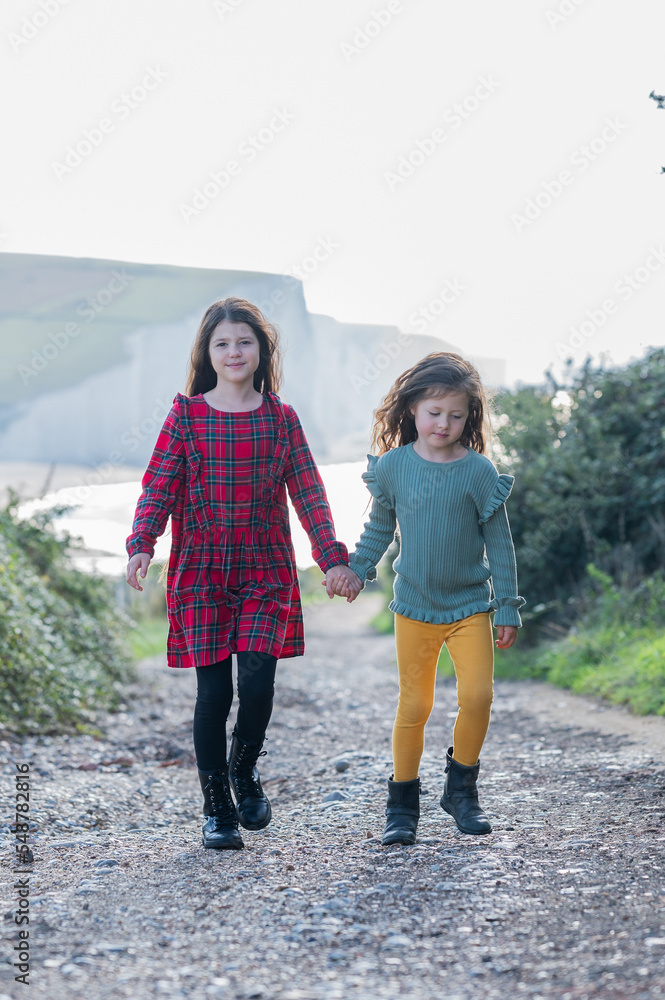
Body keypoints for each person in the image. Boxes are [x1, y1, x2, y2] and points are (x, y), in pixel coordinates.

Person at [126, 297, 358, 851]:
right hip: (200, 570)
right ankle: (217, 810)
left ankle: (244, 767)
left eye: (244, 341)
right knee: (213, 694)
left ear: (261, 351)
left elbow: (308, 492)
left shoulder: (281, 418)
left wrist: (332, 558)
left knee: (257, 681)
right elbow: (157, 487)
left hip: (265, 568)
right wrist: (141, 545)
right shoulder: (186, 416)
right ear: (208, 353)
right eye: (222, 343)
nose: (234, 351)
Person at [331, 352, 525, 846]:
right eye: (435, 412)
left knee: (478, 695)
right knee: (414, 705)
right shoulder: (394, 467)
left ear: (470, 417)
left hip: (470, 607)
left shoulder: (480, 472)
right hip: (414, 607)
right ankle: (402, 804)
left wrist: (507, 604)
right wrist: (356, 570)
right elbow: (378, 529)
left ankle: (461, 790)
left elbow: (499, 543)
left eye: (456, 415)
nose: (444, 423)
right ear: (413, 408)